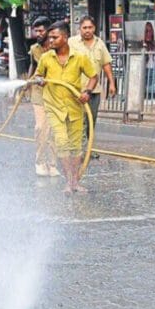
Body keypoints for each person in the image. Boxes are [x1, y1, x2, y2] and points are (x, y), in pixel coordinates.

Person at [34, 21, 98, 193]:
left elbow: (93, 76)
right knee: (62, 142)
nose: (51, 41)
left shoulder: (80, 57)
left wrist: (87, 91)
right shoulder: (46, 58)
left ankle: (74, 181)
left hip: (75, 107)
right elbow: (39, 75)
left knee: (76, 146)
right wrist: (39, 80)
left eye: (55, 37)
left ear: (65, 37)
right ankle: (69, 182)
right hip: (54, 107)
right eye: (50, 38)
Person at [68, 16, 115, 148]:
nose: (87, 30)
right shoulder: (71, 43)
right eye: (84, 28)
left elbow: (106, 64)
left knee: (90, 120)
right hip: (75, 90)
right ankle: (78, 149)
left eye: (90, 27)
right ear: (80, 29)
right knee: (78, 120)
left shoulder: (100, 44)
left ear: (94, 28)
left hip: (94, 91)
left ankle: (88, 149)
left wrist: (111, 83)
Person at [26, 16, 59, 177]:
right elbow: (32, 65)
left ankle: (52, 164)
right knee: (41, 127)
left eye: (41, 30)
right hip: (38, 93)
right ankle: (39, 162)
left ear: (49, 30)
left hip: (55, 93)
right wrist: (29, 81)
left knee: (52, 130)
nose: (37, 34)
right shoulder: (34, 49)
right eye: (36, 31)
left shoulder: (57, 48)